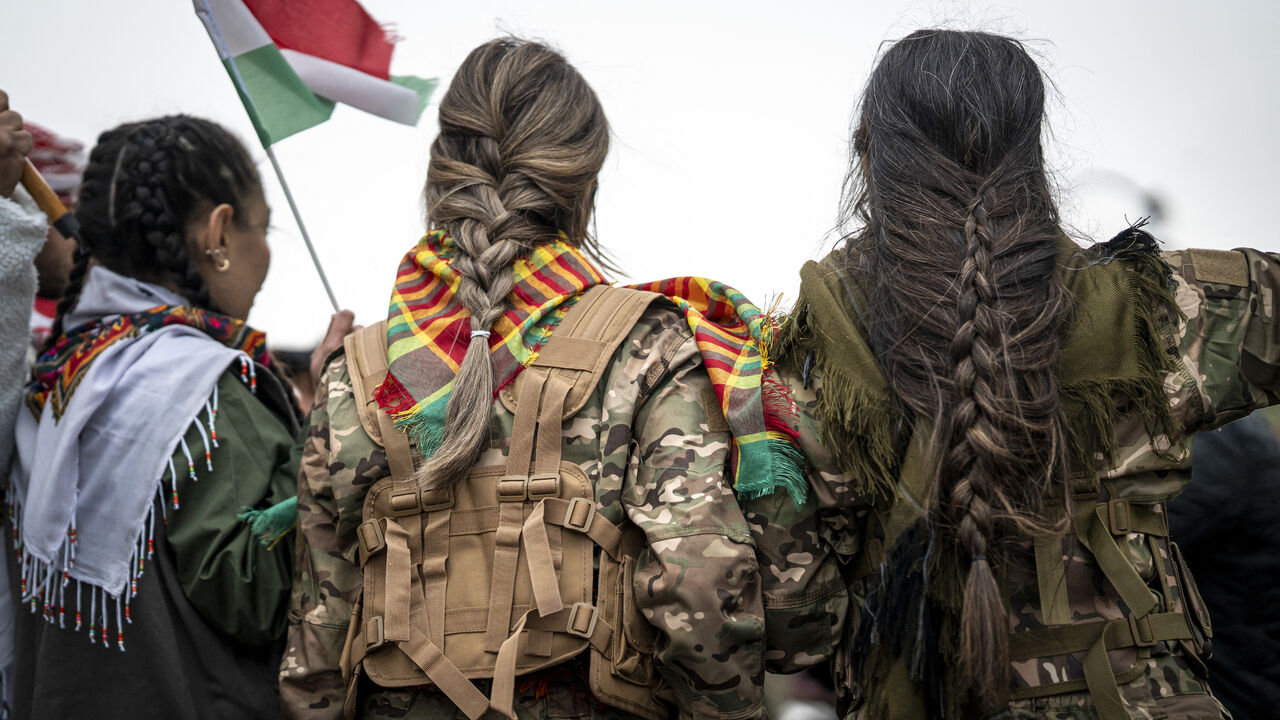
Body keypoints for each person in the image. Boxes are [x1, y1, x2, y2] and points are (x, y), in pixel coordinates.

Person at [749, 28, 1279, 720]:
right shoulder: (1168, 308)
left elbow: (797, 621)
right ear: (1029, 156)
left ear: (871, 158)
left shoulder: (812, 352)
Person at [281, 38, 774, 720]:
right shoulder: (649, 346)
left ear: (440, 174)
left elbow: (319, 637)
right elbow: (701, 582)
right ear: (583, 189)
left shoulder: (355, 373)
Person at [5, 114, 306, 719]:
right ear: (218, 233)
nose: (267, 251)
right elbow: (258, 596)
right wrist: (333, 431)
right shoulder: (210, 386)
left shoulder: (56, 375)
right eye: (263, 226)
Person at [1169, 411, 1280, 720]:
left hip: (1235, 684)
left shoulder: (1222, 438)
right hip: (1240, 673)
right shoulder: (1230, 431)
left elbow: (1142, 537)